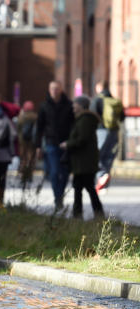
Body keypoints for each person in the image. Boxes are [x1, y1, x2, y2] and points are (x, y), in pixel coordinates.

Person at [61, 96, 104, 220]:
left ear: (80, 105)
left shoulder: (85, 120)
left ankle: (81, 214)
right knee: (83, 188)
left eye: (75, 104)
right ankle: (91, 213)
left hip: (84, 162)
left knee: (84, 188)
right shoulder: (83, 119)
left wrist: (67, 144)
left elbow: (82, 139)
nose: (73, 106)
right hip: (83, 161)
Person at [35, 81, 75, 210]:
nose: (54, 91)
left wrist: (70, 141)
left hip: (66, 144)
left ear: (61, 89)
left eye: (57, 88)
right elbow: (39, 127)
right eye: (52, 88)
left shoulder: (69, 105)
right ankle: (57, 198)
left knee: (64, 173)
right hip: (51, 143)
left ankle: (60, 195)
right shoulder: (44, 106)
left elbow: (73, 125)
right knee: (54, 172)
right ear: (49, 89)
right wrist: (38, 146)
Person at [91, 82, 125, 191]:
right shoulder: (115, 101)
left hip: (101, 131)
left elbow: (91, 116)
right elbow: (122, 117)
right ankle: (104, 185)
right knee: (108, 157)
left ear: (99, 88)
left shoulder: (97, 100)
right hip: (114, 131)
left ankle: (101, 176)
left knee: (96, 156)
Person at [16, 100, 38, 191]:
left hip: (22, 142)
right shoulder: (36, 117)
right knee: (31, 160)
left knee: (23, 159)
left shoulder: (21, 117)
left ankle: (22, 177)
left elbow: (18, 128)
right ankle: (29, 176)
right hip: (32, 143)